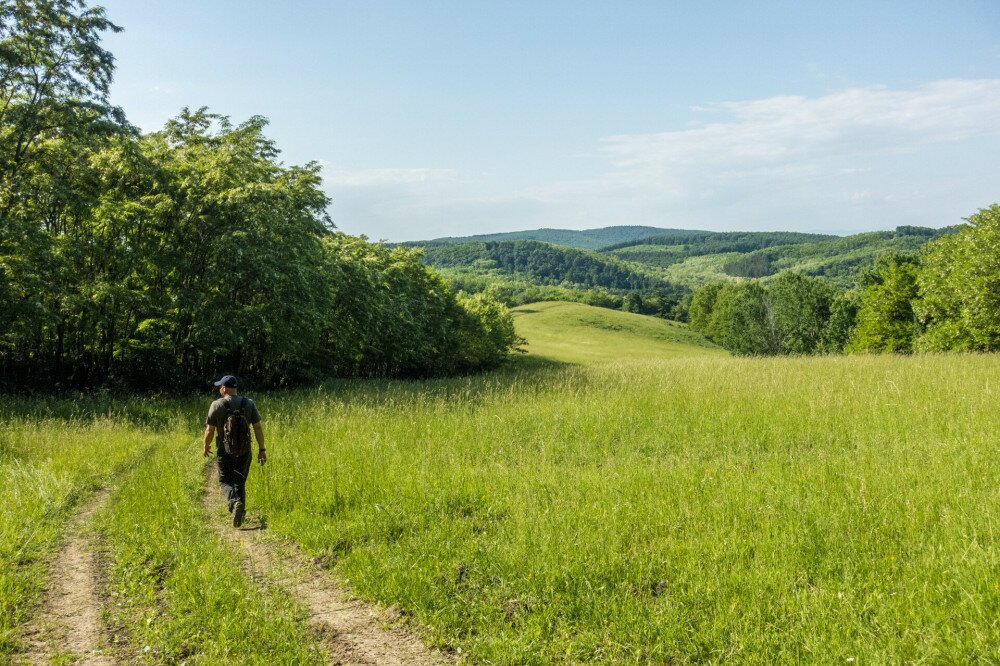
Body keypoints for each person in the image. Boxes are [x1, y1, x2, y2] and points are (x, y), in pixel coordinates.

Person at [203, 374, 266, 527]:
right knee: (240, 482)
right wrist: (262, 449)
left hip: (224, 450)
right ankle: (241, 513)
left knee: (225, 480)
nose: (219, 388)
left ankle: (233, 502)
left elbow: (210, 430)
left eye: (220, 386)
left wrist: (206, 445)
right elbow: (257, 427)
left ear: (224, 389)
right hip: (245, 450)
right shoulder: (249, 403)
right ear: (235, 388)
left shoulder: (216, 405)